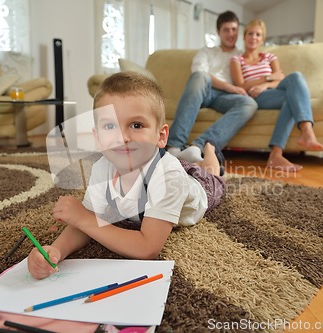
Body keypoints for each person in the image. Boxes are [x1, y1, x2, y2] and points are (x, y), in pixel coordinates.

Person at [27, 72, 225, 280]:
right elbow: (87, 221)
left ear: (161, 136)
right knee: (185, 164)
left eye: (136, 125)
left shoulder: (169, 177)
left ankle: (208, 150)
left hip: (198, 187)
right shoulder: (103, 167)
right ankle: (190, 156)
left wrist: (84, 218)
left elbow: (147, 247)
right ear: (97, 137)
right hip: (163, 162)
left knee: (211, 172)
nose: (122, 138)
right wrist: (56, 250)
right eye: (110, 126)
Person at [230, 19, 323, 171]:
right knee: (293, 98)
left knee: (296, 77)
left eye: (258, 34)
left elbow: (279, 77)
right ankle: (303, 133)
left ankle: (279, 152)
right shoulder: (236, 60)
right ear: (244, 36)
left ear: (262, 39)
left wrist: (265, 84)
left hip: (270, 90)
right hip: (255, 97)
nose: (253, 37)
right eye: (250, 33)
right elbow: (240, 85)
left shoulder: (269, 57)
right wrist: (266, 78)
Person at [166, 10, 257, 164]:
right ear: (218, 32)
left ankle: (197, 147)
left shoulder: (242, 55)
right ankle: (173, 147)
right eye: (226, 30)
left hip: (224, 98)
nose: (231, 33)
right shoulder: (206, 51)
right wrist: (230, 87)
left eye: (234, 29)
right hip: (202, 91)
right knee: (201, 76)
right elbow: (199, 72)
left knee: (250, 104)